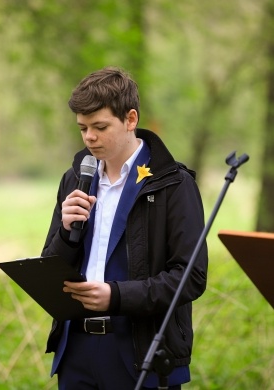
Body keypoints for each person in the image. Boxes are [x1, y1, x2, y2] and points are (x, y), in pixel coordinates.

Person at [41, 67, 208, 389]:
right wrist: (65, 233)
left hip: (141, 352)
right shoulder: (74, 178)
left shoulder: (173, 184)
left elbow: (191, 277)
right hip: (75, 350)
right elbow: (51, 265)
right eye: (82, 128)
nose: (89, 137)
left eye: (100, 127)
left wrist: (116, 296)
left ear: (131, 119)